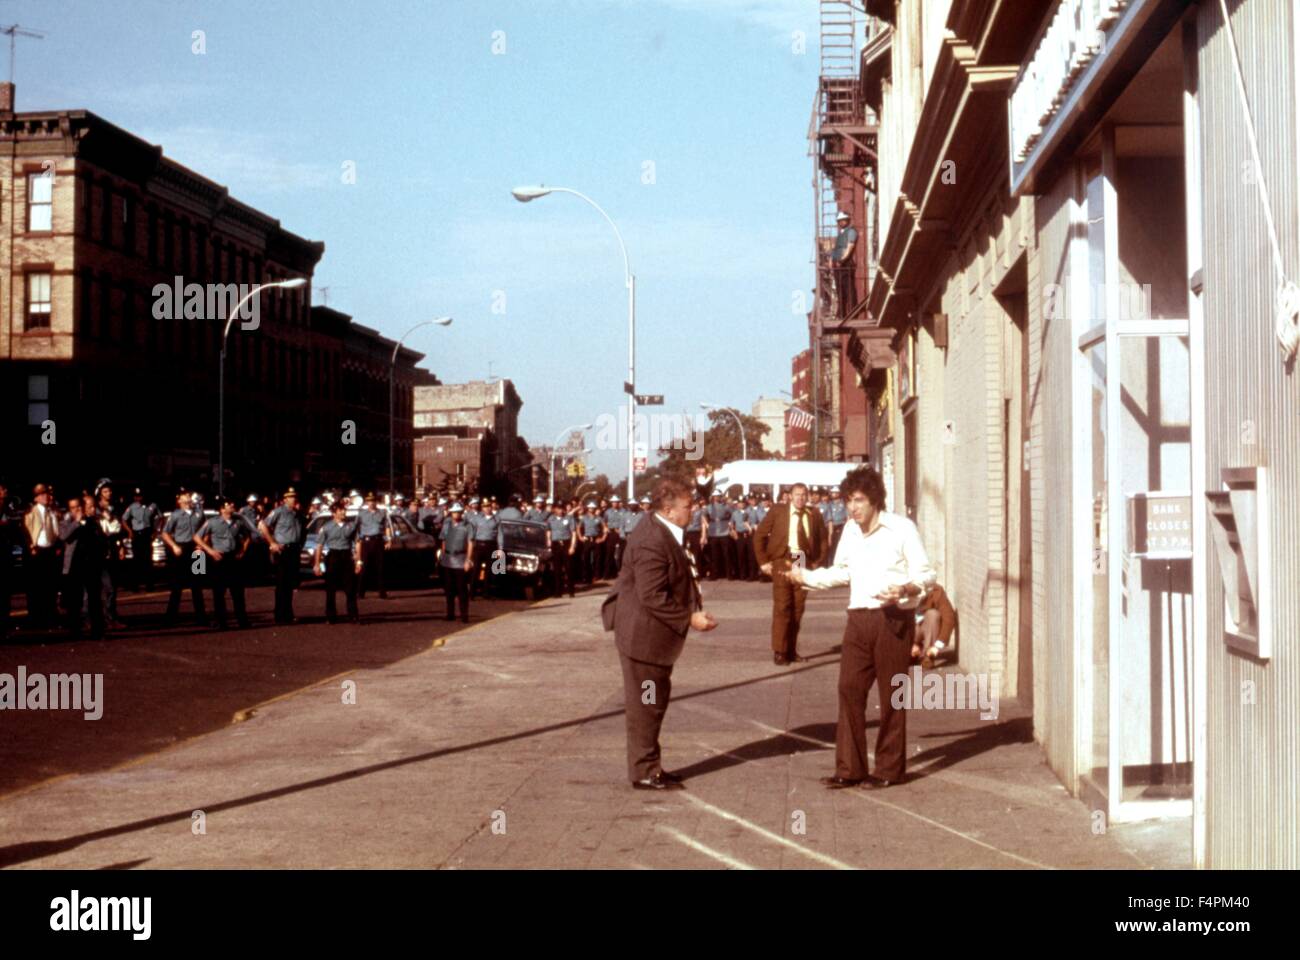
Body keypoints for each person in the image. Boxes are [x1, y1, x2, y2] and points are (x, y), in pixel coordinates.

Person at [789, 465, 935, 789]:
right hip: (858, 620)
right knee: (849, 689)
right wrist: (806, 578)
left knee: (892, 695)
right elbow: (842, 571)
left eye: (858, 500)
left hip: (892, 619)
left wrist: (906, 590)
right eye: (848, 501)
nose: (852, 508)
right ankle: (850, 768)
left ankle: (888, 770)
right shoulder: (850, 531)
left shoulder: (901, 529)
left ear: (875, 500)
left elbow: (927, 574)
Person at [601, 478, 717, 790]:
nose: (692, 511)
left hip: (651, 637)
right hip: (644, 639)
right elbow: (652, 595)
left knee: (653, 702)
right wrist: (690, 618)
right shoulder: (652, 538)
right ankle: (644, 772)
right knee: (646, 704)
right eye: (687, 506)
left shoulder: (662, 530)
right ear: (668, 509)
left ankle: (650, 766)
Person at [753, 482, 829, 664]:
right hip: (782, 560)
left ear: (808, 496)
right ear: (790, 496)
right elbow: (759, 536)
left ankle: (791, 650)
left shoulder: (814, 514)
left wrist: (816, 563)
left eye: (804, 495)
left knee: (798, 608)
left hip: (802, 560)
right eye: (797, 494)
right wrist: (763, 562)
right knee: (783, 607)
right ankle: (780, 651)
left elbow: (823, 541)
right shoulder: (778, 511)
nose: (800, 498)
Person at [195, 498, 252, 630]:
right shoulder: (212, 522)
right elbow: (197, 537)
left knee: (237, 591)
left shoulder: (238, 522)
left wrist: (243, 550)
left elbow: (247, 536)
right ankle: (221, 621)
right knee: (219, 592)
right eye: (229, 505)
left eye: (232, 505)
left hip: (233, 558)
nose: (232, 507)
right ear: (222, 509)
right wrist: (210, 551)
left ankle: (242, 620)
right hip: (219, 559)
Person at [59, 495, 108, 640]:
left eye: (78, 507)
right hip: (74, 565)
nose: (76, 510)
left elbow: (100, 538)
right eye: (73, 508)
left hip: (91, 564)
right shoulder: (66, 522)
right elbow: (63, 536)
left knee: (94, 598)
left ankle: (97, 630)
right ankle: (75, 630)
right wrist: (76, 523)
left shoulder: (91, 521)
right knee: (75, 600)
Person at [259, 487, 305, 625]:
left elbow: (302, 531)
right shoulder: (279, 512)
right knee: (281, 583)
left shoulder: (297, 514)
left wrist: (300, 545)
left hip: (293, 550)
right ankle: (279, 615)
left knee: (290, 583)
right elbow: (262, 525)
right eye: (290, 497)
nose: (293, 499)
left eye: (295, 497)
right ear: (285, 499)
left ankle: (288, 614)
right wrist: (272, 542)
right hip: (282, 550)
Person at [161, 490, 207, 625]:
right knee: (177, 585)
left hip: (196, 549)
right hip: (181, 548)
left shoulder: (199, 513)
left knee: (197, 585)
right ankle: (170, 618)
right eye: (184, 497)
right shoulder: (175, 515)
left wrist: (202, 545)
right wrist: (174, 546)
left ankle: (201, 617)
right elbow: (165, 533)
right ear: (179, 501)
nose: (188, 499)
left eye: (188, 496)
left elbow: (206, 529)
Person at [314, 502, 361, 624]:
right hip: (333, 556)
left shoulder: (351, 526)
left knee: (350, 588)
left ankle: (353, 615)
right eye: (341, 511)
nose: (344, 512)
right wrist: (317, 564)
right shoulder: (327, 527)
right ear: (334, 513)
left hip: (346, 556)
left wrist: (358, 561)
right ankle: (331, 616)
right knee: (331, 588)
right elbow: (319, 545)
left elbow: (357, 543)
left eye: (344, 510)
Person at [23, 483, 62, 629]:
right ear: (37, 498)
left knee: (51, 586)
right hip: (36, 552)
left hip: (50, 551)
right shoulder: (31, 512)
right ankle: (36, 618)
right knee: (36, 587)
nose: (47, 496)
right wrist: (30, 546)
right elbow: (26, 532)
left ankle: (50, 616)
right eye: (43, 494)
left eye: (47, 494)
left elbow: (57, 530)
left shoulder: (53, 512)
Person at [439, 503, 475, 622]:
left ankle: (464, 615)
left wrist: (468, 560)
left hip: (461, 558)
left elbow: (470, 543)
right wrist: (443, 556)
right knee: (449, 589)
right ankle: (450, 614)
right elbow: (443, 540)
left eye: (458, 512)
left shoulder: (467, 525)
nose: (456, 514)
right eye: (454, 512)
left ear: (461, 512)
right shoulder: (447, 524)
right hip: (448, 558)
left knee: (462, 589)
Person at [122, 488, 159, 591]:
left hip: (147, 534)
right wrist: (129, 531)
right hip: (136, 535)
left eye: (140, 496)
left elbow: (161, 518)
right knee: (136, 561)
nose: (138, 498)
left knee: (148, 560)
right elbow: (124, 519)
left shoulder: (152, 506)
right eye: (136, 496)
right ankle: (135, 585)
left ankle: (150, 585)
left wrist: (156, 531)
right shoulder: (132, 507)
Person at [356, 493, 390, 599]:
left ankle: (382, 592)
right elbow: (356, 527)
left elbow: (387, 527)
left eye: (373, 501)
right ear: (366, 502)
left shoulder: (382, 513)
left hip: (378, 541)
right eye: (369, 501)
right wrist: (358, 540)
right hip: (366, 542)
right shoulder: (361, 514)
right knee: (364, 567)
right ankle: (361, 593)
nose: (371, 503)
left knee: (380, 568)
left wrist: (388, 540)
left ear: (376, 502)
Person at [918, 582, 956, 669]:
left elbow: (949, 618)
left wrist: (938, 646)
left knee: (933, 614)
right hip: (909, 630)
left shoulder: (936, 591)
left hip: (925, 627)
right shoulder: (899, 589)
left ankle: (928, 655)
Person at [830, 209, 858, 319]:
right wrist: (832, 261)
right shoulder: (840, 234)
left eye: (843, 220)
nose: (841, 222)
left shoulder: (851, 231)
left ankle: (852, 311)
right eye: (839, 221)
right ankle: (841, 313)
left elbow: (850, 246)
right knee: (840, 289)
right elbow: (836, 249)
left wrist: (843, 259)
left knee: (849, 288)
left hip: (846, 265)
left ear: (847, 220)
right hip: (838, 266)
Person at [546, 500, 576, 598]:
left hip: (566, 544)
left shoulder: (569, 518)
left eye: (562, 508)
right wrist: (548, 542)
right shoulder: (551, 519)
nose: (560, 510)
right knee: (557, 569)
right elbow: (548, 532)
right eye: (558, 508)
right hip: (556, 544)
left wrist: (572, 546)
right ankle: (558, 591)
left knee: (569, 568)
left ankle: (571, 590)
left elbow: (573, 533)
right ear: (554, 509)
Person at [469, 498, 499, 598]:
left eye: (489, 506)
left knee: (489, 569)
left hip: (491, 545)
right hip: (479, 545)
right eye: (485, 507)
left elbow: (500, 535)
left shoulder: (497, 519)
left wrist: (500, 549)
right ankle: (472, 592)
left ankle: (486, 592)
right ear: (482, 508)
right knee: (476, 568)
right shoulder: (477, 519)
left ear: (492, 507)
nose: (487, 509)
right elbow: (472, 533)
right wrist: (471, 544)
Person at [702, 490, 734, 581]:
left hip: (724, 531)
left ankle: (729, 574)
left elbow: (733, 514)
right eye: (715, 496)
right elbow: (703, 515)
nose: (716, 498)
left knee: (726, 554)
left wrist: (730, 522)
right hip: (713, 532)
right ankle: (714, 574)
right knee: (714, 555)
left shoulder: (726, 506)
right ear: (712, 497)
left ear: (721, 497)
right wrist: (707, 524)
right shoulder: (708, 507)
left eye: (718, 496)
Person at [576, 501, 606, 585]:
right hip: (587, 539)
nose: (591, 509)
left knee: (597, 558)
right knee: (586, 559)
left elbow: (605, 528)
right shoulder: (584, 518)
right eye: (590, 508)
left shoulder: (599, 518)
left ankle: (596, 576)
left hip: (596, 539)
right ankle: (587, 576)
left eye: (593, 508)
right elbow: (578, 528)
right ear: (588, 509)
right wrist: (580, 537)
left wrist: (603, 538)